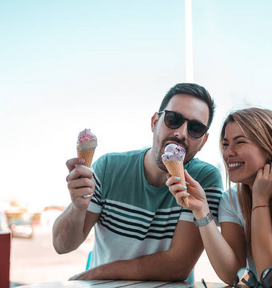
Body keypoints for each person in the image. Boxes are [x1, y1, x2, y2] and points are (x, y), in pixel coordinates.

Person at [52, 83, 224, 281]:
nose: (181, 133)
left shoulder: (204, 180)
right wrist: (77, 207)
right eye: (173, 119)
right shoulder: (109, 168)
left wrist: (96, 273)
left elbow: (177, 266)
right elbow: (62, 245)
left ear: (203, 141)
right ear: (154, 122)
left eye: (196, 128)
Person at [168, 108, 272, 288]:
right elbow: (232, 273)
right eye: (225, 144)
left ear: (271, 147)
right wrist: (201, 211)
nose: (228, 153)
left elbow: (271, 275)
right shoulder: (231, 200)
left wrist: (260, 199)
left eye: (239, 142)